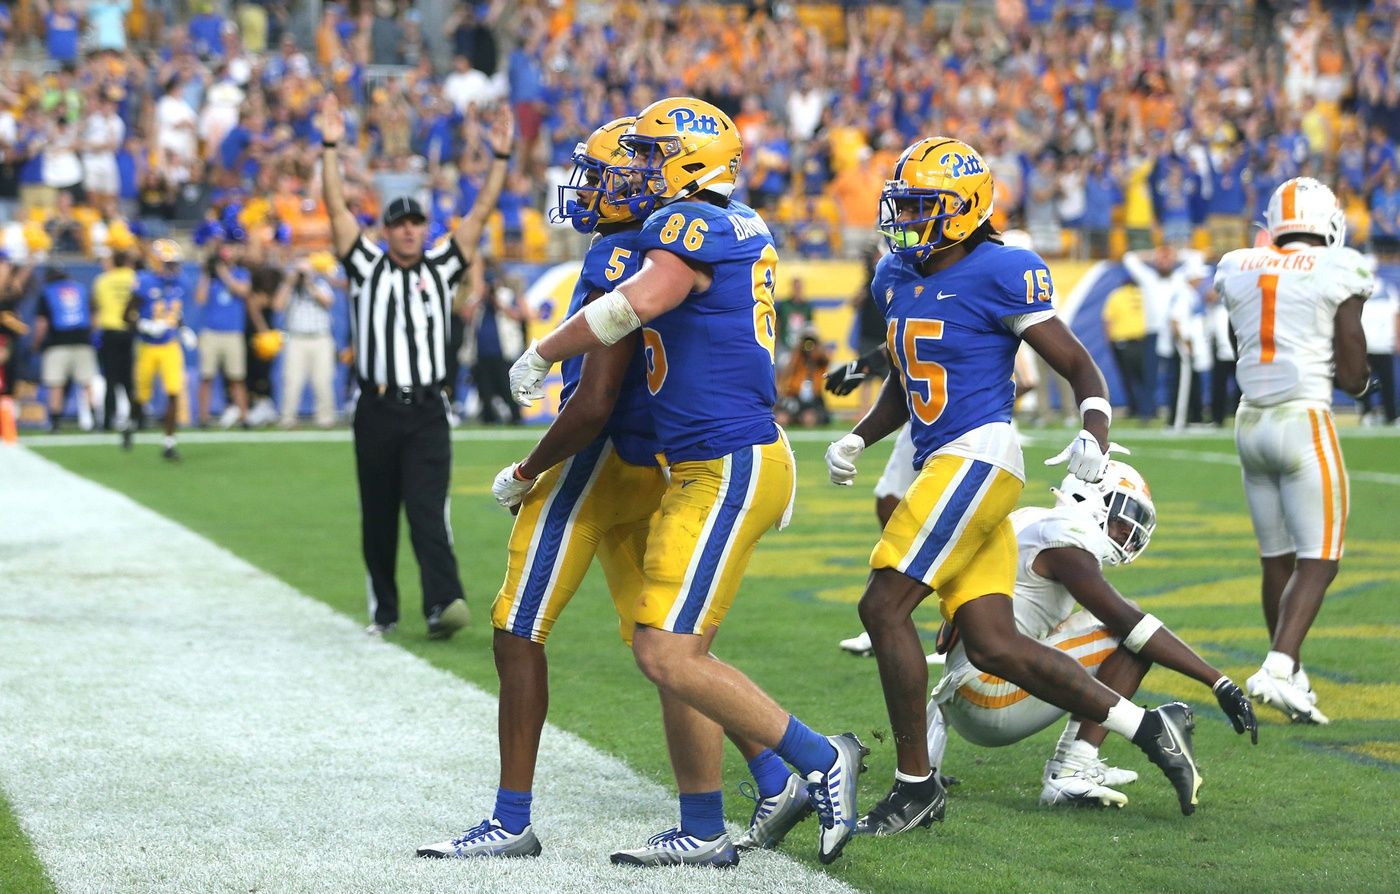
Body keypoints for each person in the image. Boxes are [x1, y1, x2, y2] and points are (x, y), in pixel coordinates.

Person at [507, 97, 867, 868]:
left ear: (691, 158)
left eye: (651, 152)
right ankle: (704, 826)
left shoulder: (689, 225)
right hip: (706, 462)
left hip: (728, 460)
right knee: (673, 654)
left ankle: (820, 757)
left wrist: (543, 353)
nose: (638, 167)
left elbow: (639, 302)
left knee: (666, 655)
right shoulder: (720, 222)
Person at [823, 138, 1205, 837]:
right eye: (900, 203)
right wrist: (860, 435)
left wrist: (1093, 429)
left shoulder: (1001, 270)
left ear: (963, 212)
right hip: (947, 459)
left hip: (978, 458)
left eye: (920, 206)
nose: (904, 218)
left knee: (883, 607)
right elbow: (910, 381)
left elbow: (1078, 363)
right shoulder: (893, 275)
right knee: (993, 641)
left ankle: (915, 786)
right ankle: (1146, 729)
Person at [928, 461, 1257, 809]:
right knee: (1129, 634)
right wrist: (1218, 681)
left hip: (956, 699)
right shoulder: (1065, 539)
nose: (1124, 531)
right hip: (991, 699)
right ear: (1090, 498)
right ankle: (1072, 768)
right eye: (1119, 517)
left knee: (1090, 628)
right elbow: (1131, 624)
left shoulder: (1030, 520)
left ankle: (1067, 767)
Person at [320, 92, 511, 639]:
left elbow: (477, 216)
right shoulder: (366, 266)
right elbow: (335, 210)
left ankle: (443, 603)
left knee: (428, 510)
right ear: (385, 230)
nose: (408, 230)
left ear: (424, 228)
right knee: (379, 517)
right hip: (377, 406)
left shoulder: (444, 263)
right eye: (399, 224)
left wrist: (498, 159)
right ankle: (384, 610)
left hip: (428, 407)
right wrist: (330, 146)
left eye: (415, 223)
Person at [1215, 177, 1376, 724]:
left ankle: (1294, 674)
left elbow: (1239, 343)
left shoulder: (1239, 263)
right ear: (1327, 221)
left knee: (1275, 558)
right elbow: (1352, 364)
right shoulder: (1339, 265)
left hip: (1250, 420)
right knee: (1321, 557)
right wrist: (1361, 385)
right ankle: (1280, 666)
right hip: (1304, 417)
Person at [125, 239, 192, 461]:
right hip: (148, 346)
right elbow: (126, 316)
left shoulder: (179, 282)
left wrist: (183, 329)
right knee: (141, 395)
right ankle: (131, 424)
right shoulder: (144, 281)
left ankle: (169, 443)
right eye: (169, 263)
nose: (173, 268)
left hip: (170, 345)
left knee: (174, 391)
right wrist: (145, 325)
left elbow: (175, 313)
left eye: (174, 263)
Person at [273, 254, 337, 429]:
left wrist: (309, 283)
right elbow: (277, 305)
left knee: (322, 380)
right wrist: (289, 283)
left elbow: (327, 301)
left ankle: (325, 418)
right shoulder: (289, 287)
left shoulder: (320, 284)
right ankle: (287, 418)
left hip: (320, 338)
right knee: (292, 381)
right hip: (296, 338)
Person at [195, 235, 251, 428]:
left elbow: (243, 291)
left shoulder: (241, 273)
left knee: (237, 377)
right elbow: (200, 299)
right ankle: (203, 418)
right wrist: (206, 273)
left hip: (233, 332)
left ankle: (244, 417)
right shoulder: (211, 277)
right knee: (206, 376)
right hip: (211, 332)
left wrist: (224, 273)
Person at [33, 267, 96, 431]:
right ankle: (95, 419)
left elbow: (42, 323)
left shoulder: (47, 291)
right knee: (87, 383)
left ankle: (55, 422)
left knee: (56, 384)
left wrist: (37, 343)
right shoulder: (80, 288)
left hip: (57, 343)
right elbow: (93, 316)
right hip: (83, 341)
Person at [92, 250, 138, 431]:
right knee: (129, 379)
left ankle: (107, 421)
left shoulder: (103, 280)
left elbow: (97, 305)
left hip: (110, 332)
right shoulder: (134, 278)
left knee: (110, 378)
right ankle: (137, 418)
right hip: (129, 331)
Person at [1359, 271, 1398, 425]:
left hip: (1383, 344)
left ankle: (1391, 415)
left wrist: (1396, 338)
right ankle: (1367, 413)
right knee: (1362, 384)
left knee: (1388, 383)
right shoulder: (1357, 287)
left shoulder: (1388, 289)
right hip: (1364, 346)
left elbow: (1396, 314)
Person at [775, 326, 830, 428]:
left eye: (812, 341)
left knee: (809, 419)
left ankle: (799, 418)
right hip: (795, 396)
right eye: (806, 341)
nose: (809, 345)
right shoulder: (797, 357)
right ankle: (796, 417)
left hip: (813, 399)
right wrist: (798, 349)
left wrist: (817, 345)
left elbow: (825, 358)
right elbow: (788, 368)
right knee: (781, 419)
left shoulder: (820, 359)